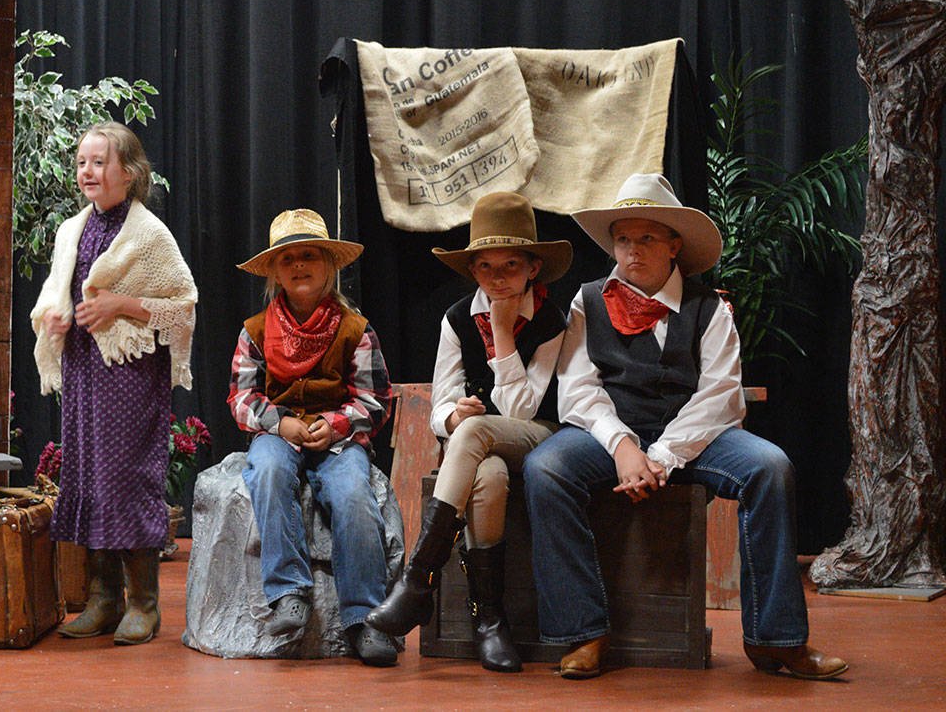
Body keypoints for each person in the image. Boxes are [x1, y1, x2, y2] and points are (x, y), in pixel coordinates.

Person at [523, 173, 848, 680]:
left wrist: (662, 456)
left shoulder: (710, 307)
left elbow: (719, 397)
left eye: (646, 238)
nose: (632, 251)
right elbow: (579, 391)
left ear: (675, 244)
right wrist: (625, 446)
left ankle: (776, 641)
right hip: (610, 432)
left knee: (770, 467)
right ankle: (584, 631)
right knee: (545, 467)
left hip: (693, 437)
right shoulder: (588, 302)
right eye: (623, 239)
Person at [366, 191, 572, 672]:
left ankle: (417, 580)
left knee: (480, 434)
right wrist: (453, 416)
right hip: (479, 447)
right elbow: (441, 404)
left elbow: (524, 410)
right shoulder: (457, 318)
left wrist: (502, 334)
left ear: (532, 269)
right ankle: (490, 620)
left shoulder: (551, 320)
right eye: (485, 267)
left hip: (540, 437)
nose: (498, 278)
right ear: (473, 270)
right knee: (490, 476)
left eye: (510, 265)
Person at [31, 121, 197, 645]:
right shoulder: (70, 230)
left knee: (126, 479)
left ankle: (144, 604)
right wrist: (53, 318)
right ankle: (102, 599)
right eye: (81, 162)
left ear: (129, 172)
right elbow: (59, 293)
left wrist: (119, 305)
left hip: (130, 377)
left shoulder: (149, 236)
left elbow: (183, 306)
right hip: (83, 371)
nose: (87, 171)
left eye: (99, 162)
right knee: (86, 476)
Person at [228, 209, 397, 666]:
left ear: (329, 266)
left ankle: (365, 616)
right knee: (266, 470)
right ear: (275, 273)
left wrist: (339, 424)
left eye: (309, 256)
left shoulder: (355, 330)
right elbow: (242, 399)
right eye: (288, 259)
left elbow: (376, 397)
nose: (299, 265)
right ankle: (289, 593)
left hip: (337, 436)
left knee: (353, 495)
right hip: (279, 430)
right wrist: (279, 423)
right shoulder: (256, 332)